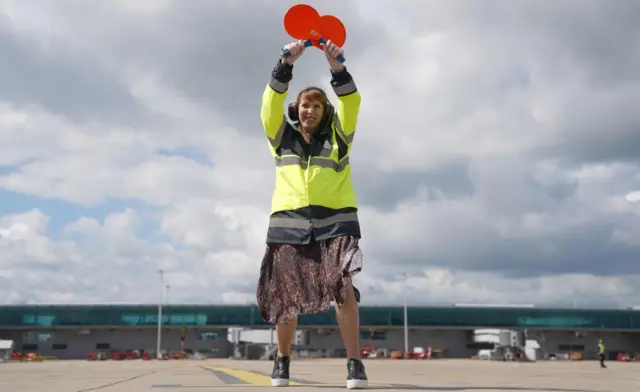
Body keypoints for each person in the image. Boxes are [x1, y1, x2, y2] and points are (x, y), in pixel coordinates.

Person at [256, 39, 367, 390]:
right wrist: (284, 64)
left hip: (335, 222)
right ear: (296, 108)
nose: (311, 111)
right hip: (288, 225)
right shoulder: (280, 137)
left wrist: (336, 67)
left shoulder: (340, 138)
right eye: (306, 105)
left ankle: (354, 364)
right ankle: (283, 359)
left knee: (343, 287)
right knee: (286, 294)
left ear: (325, 112)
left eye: (318, 106)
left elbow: (352, 102)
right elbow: (268, 105)